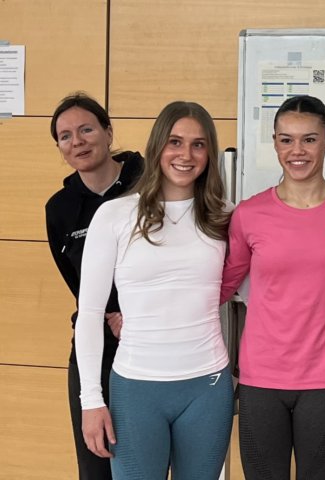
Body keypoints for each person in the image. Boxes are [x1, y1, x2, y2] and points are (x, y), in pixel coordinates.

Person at [220, 94, 325, 479]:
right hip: (261, 377)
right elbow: (223, 286)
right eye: (286, 140)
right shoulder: (250, 214)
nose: (297, 151)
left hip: (324, 378)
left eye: (309, 139)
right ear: (275, 143)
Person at [75, 101, 234, 479]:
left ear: (209, 153)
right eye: (175, 142)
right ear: (158, 145)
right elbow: (91, 314)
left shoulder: (226, 216)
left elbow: (269, 287)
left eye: (198, 144)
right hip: (136, 389)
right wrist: (91, 400)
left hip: (208, 387)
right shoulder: (114, 215)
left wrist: (324, 327)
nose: (186, 155)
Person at [45, 92, 143, 480]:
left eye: (86, 129)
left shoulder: (150, 184)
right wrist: (109, 314)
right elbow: (77, 282)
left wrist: (133, 313)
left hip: (153, 342)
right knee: (97, 463)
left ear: (108, 132)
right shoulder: (59, 208)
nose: (78, 142)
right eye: (65, 136)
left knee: (147, 462)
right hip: (96, 348)